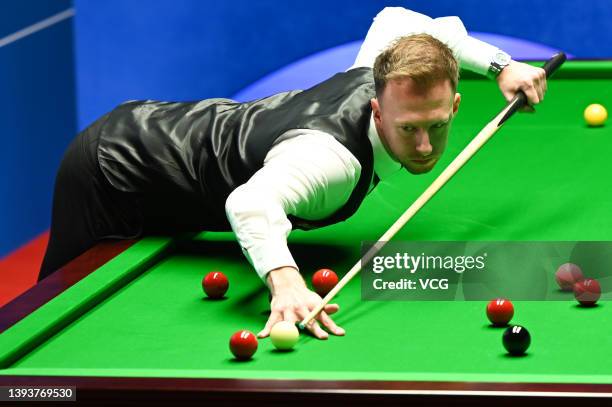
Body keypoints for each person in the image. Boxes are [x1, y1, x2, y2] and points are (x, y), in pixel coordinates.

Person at [39, 7, 547, 340]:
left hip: (174, 153)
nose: (423, 145)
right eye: (407, 127)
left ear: (456, 105)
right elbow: (249, 204)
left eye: (436, 127)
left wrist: (501, 65)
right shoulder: (332, 160)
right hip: (115, 166)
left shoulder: (380, 66)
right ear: (376, 109)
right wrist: (285, 282)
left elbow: (405, 21)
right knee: (49, 329)